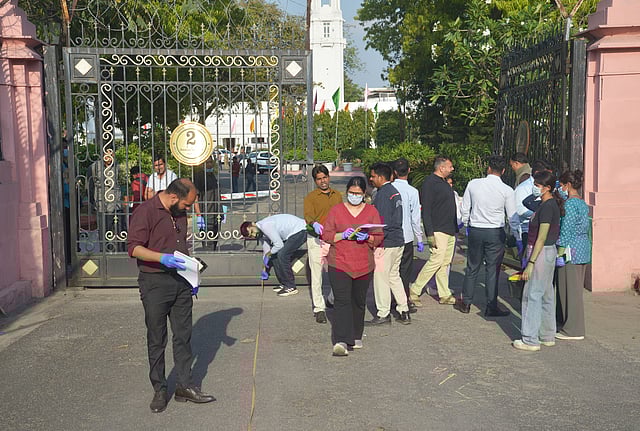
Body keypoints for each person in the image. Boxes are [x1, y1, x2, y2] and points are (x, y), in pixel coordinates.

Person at [127, 178, 216, 413]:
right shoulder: (145, 211)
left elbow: (180, 245)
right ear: (174, 197)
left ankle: (184, 386)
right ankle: (159, 389)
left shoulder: (178, 212)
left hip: (181, 281)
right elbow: (134, 247)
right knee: (157, 338)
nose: (188, 209)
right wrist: (161, 258)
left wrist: (192, 272)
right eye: (187, 205)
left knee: (183, 336)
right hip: (154, 283)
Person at [321, 176, 383, 356]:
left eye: (358, 193)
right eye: (351, 193)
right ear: (346, 192)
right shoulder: (336, 211)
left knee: (358, 301)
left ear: (364, 194)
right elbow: (327, 235)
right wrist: (342, 235)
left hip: (363, 264)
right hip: (339, 262)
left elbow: (379, 236)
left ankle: (356, 334)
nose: (354, 196)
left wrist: (368, 238)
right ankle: (341, 340)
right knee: (342, 301)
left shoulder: (371, 211)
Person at [454, 155, 520, 316]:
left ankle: (466, 302)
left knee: (472, 266)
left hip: (476, 229)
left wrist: (466, 223)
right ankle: (491, 306)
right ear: (503, 171)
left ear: (488, 168)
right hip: (495, 232)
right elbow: (512, 216)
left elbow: (465, 208)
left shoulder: (473, 184)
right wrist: (517, 237)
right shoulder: (507, 190)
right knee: (492, 269)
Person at [512, 170, 564, 352]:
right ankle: (547, 335)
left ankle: (530, 339)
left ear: (547, 188)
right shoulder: (546, 204)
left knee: (531, 294)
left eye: (538, 185)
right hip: (546, 252)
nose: (534, 188)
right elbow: (527, 202)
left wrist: (531, 263)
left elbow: (541, 237)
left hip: (540, 252)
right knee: (546, 293)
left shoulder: (548, 207)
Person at [408, 156, 458, 306]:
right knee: (436, 260)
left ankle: (444, 294)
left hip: (449, 229)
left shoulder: (443, 182)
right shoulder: (430, 183)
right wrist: (429, 233)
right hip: (438, 229)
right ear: (441, 168)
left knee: (444, 263)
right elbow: (427, 209)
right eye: (450, 166)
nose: (452, 169)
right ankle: (415, 289)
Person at [368, 162, 410, 325]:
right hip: (398, 240)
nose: (371, 179)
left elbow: (381, 222)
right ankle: (403, 309)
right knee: (394, 276)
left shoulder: (383, 194)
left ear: (380, 177)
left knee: (381, 278)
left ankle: (383, 313)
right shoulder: (394, 192)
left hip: (386, 242)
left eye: (373, 176)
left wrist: (375, 240)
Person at [304, 164, 343, 323]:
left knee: (338, 272)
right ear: (315, 181)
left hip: (333, 238)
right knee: (317, 275)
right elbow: (308, 216)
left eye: (325, 177)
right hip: (317, 239)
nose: (323, 181)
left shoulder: (337, 195)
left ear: (329, 177)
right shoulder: (311, 197)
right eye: (319, 179)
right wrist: (314, 223)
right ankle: (319, 308)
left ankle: (332, 299)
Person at [556, 170, 590, 341]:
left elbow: (566, 230)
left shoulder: (569, 205)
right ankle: (571, 325)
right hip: (582, 249)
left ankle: (573, 329)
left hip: (571, 251)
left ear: (568, 185)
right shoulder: (582, 203)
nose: (560, 189)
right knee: (575, 289)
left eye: (562, 185)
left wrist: (560, 250)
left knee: (569, 290)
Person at [240, 214, 307, 297]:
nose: (254, 235)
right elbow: (267, 251)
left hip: (301, 230)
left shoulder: (265, 226)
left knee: (283, 255)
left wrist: (269, 254)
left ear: (253, 224)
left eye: (252, 231)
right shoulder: (260, 233)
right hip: (292, 234)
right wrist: (265, 266)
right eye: (251, 236)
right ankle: (284, 283)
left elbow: (279, 245)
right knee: (274, 256)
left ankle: (291, 286)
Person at [392, 158, 424, 313]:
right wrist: (420, 238)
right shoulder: (413, 191)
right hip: (407, 237)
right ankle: (403, 299)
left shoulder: (389, 189)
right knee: (404, 271)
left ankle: (390, 299)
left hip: (391, 237)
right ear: (409, 170)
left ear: (394, 172)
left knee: (392, 270)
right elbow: (415, 218)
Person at [193, 157, 220, 250]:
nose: (209, 164)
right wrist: (199, 215)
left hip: (216, 213)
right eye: (207, 162)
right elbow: (195, 197)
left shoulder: (211, 175)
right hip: (206, 214)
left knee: (215, 240)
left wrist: (221, 210)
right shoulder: (199, 177)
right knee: (208, 243)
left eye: (210, 162)